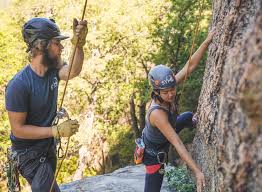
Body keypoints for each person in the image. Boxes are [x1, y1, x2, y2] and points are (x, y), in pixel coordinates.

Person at [5, 17, 88, 192]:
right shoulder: (19, 85)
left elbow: (73, 70)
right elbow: (18, 129)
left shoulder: (53, 69)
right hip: (29, 155)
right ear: (42, 45)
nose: (61, 47)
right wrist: (55, 131)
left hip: (47, 146)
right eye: (57, 42)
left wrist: (79, 46)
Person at [142, 30, 215, 192]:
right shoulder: (157, 114)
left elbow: (190, 66)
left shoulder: (169, 84)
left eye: (172, 89)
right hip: (154, 154)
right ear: (157, 92)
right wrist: (197, 172)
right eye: (165, 92)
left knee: (188, 117)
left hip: (165, 134)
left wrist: (207, 41)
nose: (170, 94)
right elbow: (177, 143)